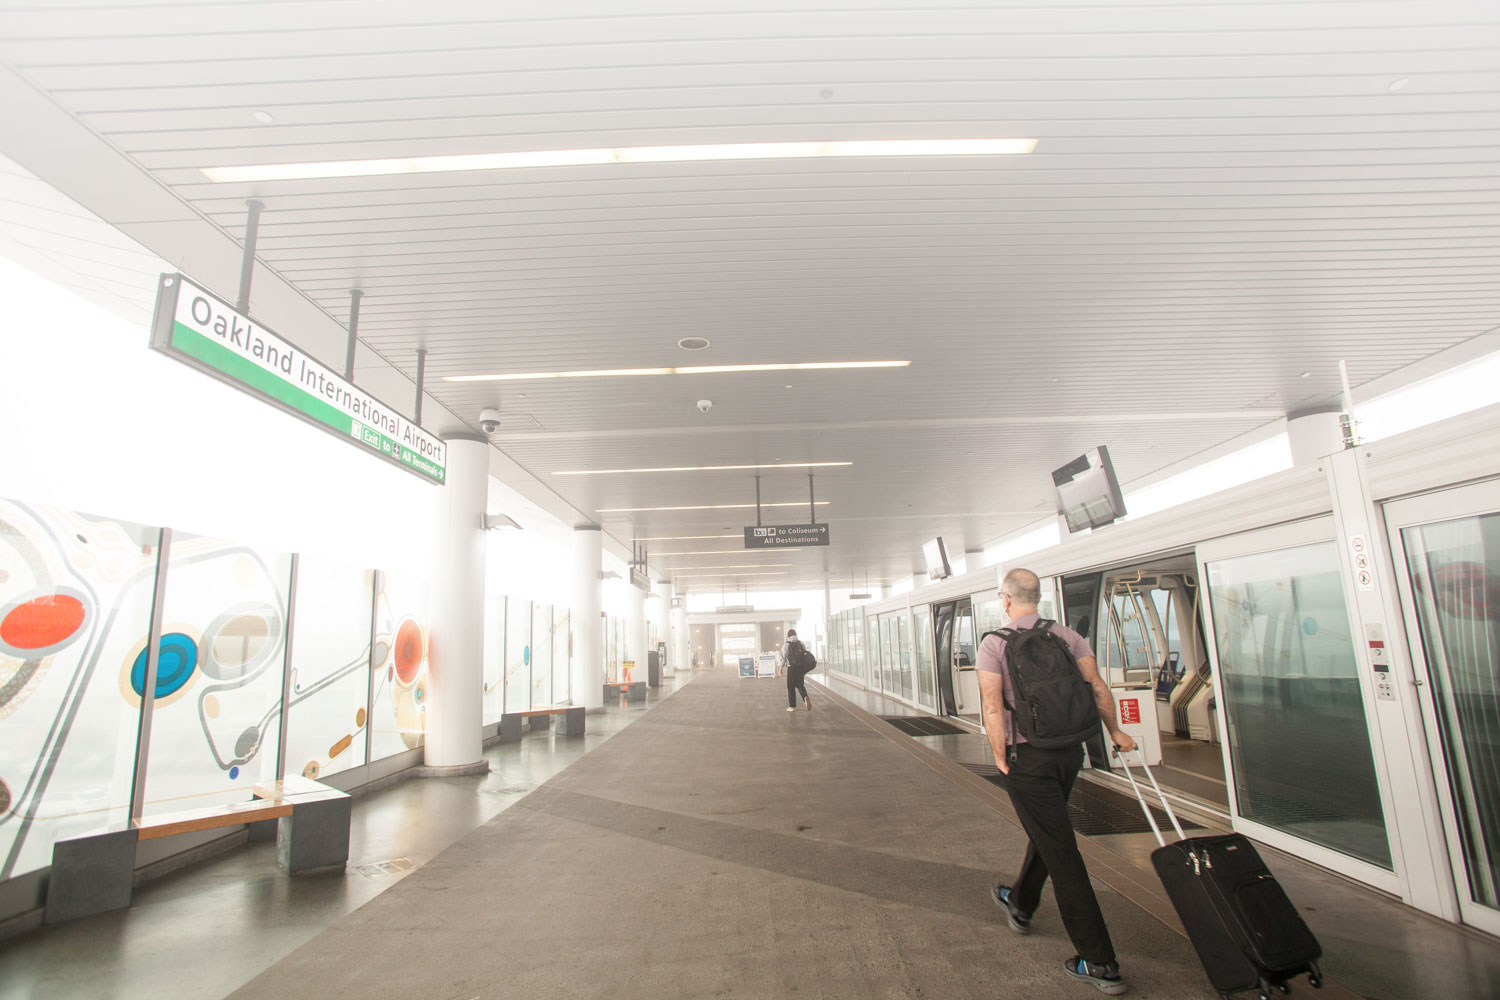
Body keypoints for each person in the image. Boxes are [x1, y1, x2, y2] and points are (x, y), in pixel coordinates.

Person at [977, 568, 1137, 996]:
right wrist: (1117, 733)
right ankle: (1021, 902)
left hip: (1027, 759)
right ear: (1038, 598)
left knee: (1061, 851)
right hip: (1069, 753)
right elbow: (1098, 689)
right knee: (1049, 834)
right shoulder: (1067, 636)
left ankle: (1099, 961)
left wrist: (999, 755)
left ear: (1005, 599)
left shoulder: (995, 643)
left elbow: (992, 707)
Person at [779, 628, 812, 712]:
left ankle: (792, 706)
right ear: (795, 635)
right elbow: (805, 654)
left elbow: (783, 657)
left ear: (788, 635)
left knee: (791, 687)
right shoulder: (800, 643)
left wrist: (781, 668)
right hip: (800, 668)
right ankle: (805, 697)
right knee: (800, 685)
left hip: (791, 668)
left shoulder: (786, 645)